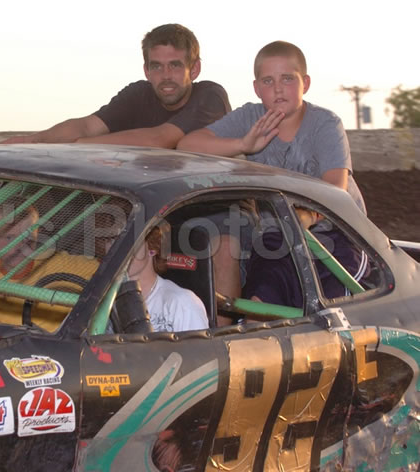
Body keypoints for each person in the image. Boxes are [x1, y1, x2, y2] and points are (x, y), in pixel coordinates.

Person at [177, 40, 366, 300]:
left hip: (337, 233)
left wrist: (306, 216)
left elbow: (335, 188)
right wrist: (243, 144)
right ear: (256, 88)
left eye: (287, 79)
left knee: (327, 306)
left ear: (305, 83)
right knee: (260, 298)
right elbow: (187, 145)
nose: (278, 88)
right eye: (268, 81)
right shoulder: (251, 118)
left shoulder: (325, 124)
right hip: (278, 236)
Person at [0, 23, 231, 149]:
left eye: (175, 65)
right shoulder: (138, 93)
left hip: (213, 206)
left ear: (195, 69)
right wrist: (32, 141)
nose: (166, 76)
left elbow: (160, 139)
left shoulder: (210, 96)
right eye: (157, 66)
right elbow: (87, 125)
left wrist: (79, 145)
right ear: (146, 71)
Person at [0, 201, 99, 332]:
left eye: (28, 237)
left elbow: (110, 268)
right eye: (10, 238)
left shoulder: (61, 263)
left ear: (37, 235)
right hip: (0, 349)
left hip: (55, 350)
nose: (21, 246)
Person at [243, 208, 368, 307]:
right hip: (276, 238)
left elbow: (337, 191)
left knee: (331, 310)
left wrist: (311, 214)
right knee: (261, 297)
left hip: (332, 237)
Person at [126, 223, 208, 332]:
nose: (120, 252)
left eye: (130, 242)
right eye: (111, 241)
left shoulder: (181, 304)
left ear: (152, 248)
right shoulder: (105, 305)